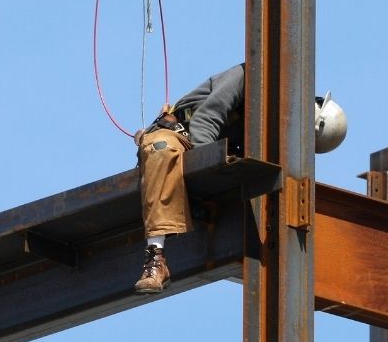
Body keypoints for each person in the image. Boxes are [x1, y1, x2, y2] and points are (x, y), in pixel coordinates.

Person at [134, 62, 347, 293]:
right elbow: (206, 119)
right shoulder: (248, 77)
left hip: (211, 154)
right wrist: (210, 168)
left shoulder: (275, 128)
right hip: (178, 136)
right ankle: (155, 257)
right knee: (161, 148)